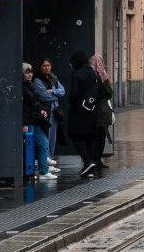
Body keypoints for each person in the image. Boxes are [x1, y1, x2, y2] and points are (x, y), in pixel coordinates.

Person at [67, 49, 107, 177]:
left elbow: (73, 94)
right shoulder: (95, 74)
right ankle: (89, 167)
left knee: (76, 136)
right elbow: (102, 94)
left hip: (78, 113)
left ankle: (87, 161)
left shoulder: (77, 74)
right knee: (90, 138)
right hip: (92, 112)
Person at [22, 63, 55, 181]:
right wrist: (24, 123)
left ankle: (43, 170)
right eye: (27, 72)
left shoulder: (30, 85)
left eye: (30, 72)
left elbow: (34, 103)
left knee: (44, 144)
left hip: (35, 120)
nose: (30, 74)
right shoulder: (22, 87)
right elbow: (23, 108)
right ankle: (30, 172)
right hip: (29, 121)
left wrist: (41, 110)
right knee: (29, 147)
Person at [34, 58, 64, 175]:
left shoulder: (53, 77)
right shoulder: (37, 80)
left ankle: (49, 160)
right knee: (46, 136)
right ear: (40, 67)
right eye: (44, 66)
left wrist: (53, 91)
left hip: (54, 110)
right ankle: (45, 161)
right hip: (46, 110)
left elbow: (63, 91)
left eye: (48, 65)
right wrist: (56, 94)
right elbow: (43, 96)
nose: (46, 68)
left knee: (53, 137)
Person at [90, 54, 115, 169]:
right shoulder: (102, 76)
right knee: (100, 137)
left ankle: (92, 160)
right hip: (101, 110)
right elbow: (109, 92)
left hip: (89, 109)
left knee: (92, 137)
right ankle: (97, 160)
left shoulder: (87, 74)